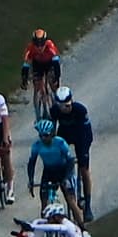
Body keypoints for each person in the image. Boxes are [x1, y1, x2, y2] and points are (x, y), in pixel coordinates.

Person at [48, 86, 95, 221]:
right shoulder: (54, 110)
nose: (65, 109)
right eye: (62, 107)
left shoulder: (80, 110)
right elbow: (52, 130)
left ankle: (88, 206)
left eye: (68, 106)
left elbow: (86, 134)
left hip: (81, 134)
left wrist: (83, 153)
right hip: (65, 133)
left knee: (84, 169)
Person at [24, 119, 81, 221]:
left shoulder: (60, 142)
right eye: (41, 136)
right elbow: (31, 164)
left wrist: (67, 178)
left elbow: (70, 161)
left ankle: (82, 227)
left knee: (71, 201)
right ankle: (45, 225)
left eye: (46, 135)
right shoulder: (37, 145)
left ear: (52, 134)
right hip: (49, 172)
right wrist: (31, 180)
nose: (43, 138)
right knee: (44, 203)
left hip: (64, 170)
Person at [20, 29, 61, 105]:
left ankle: (57, 98)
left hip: (50, 63)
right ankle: (38, 97)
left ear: (45, 42)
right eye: (37, 44)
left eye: (42, 44)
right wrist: (24, 80)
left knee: (53, 82)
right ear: (33, 43)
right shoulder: (30, 48)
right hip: (37, 64)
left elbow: (56, 63)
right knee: (37, 83)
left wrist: (57, 78)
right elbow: (25, 65)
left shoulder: (50, 45)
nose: (39, 47)